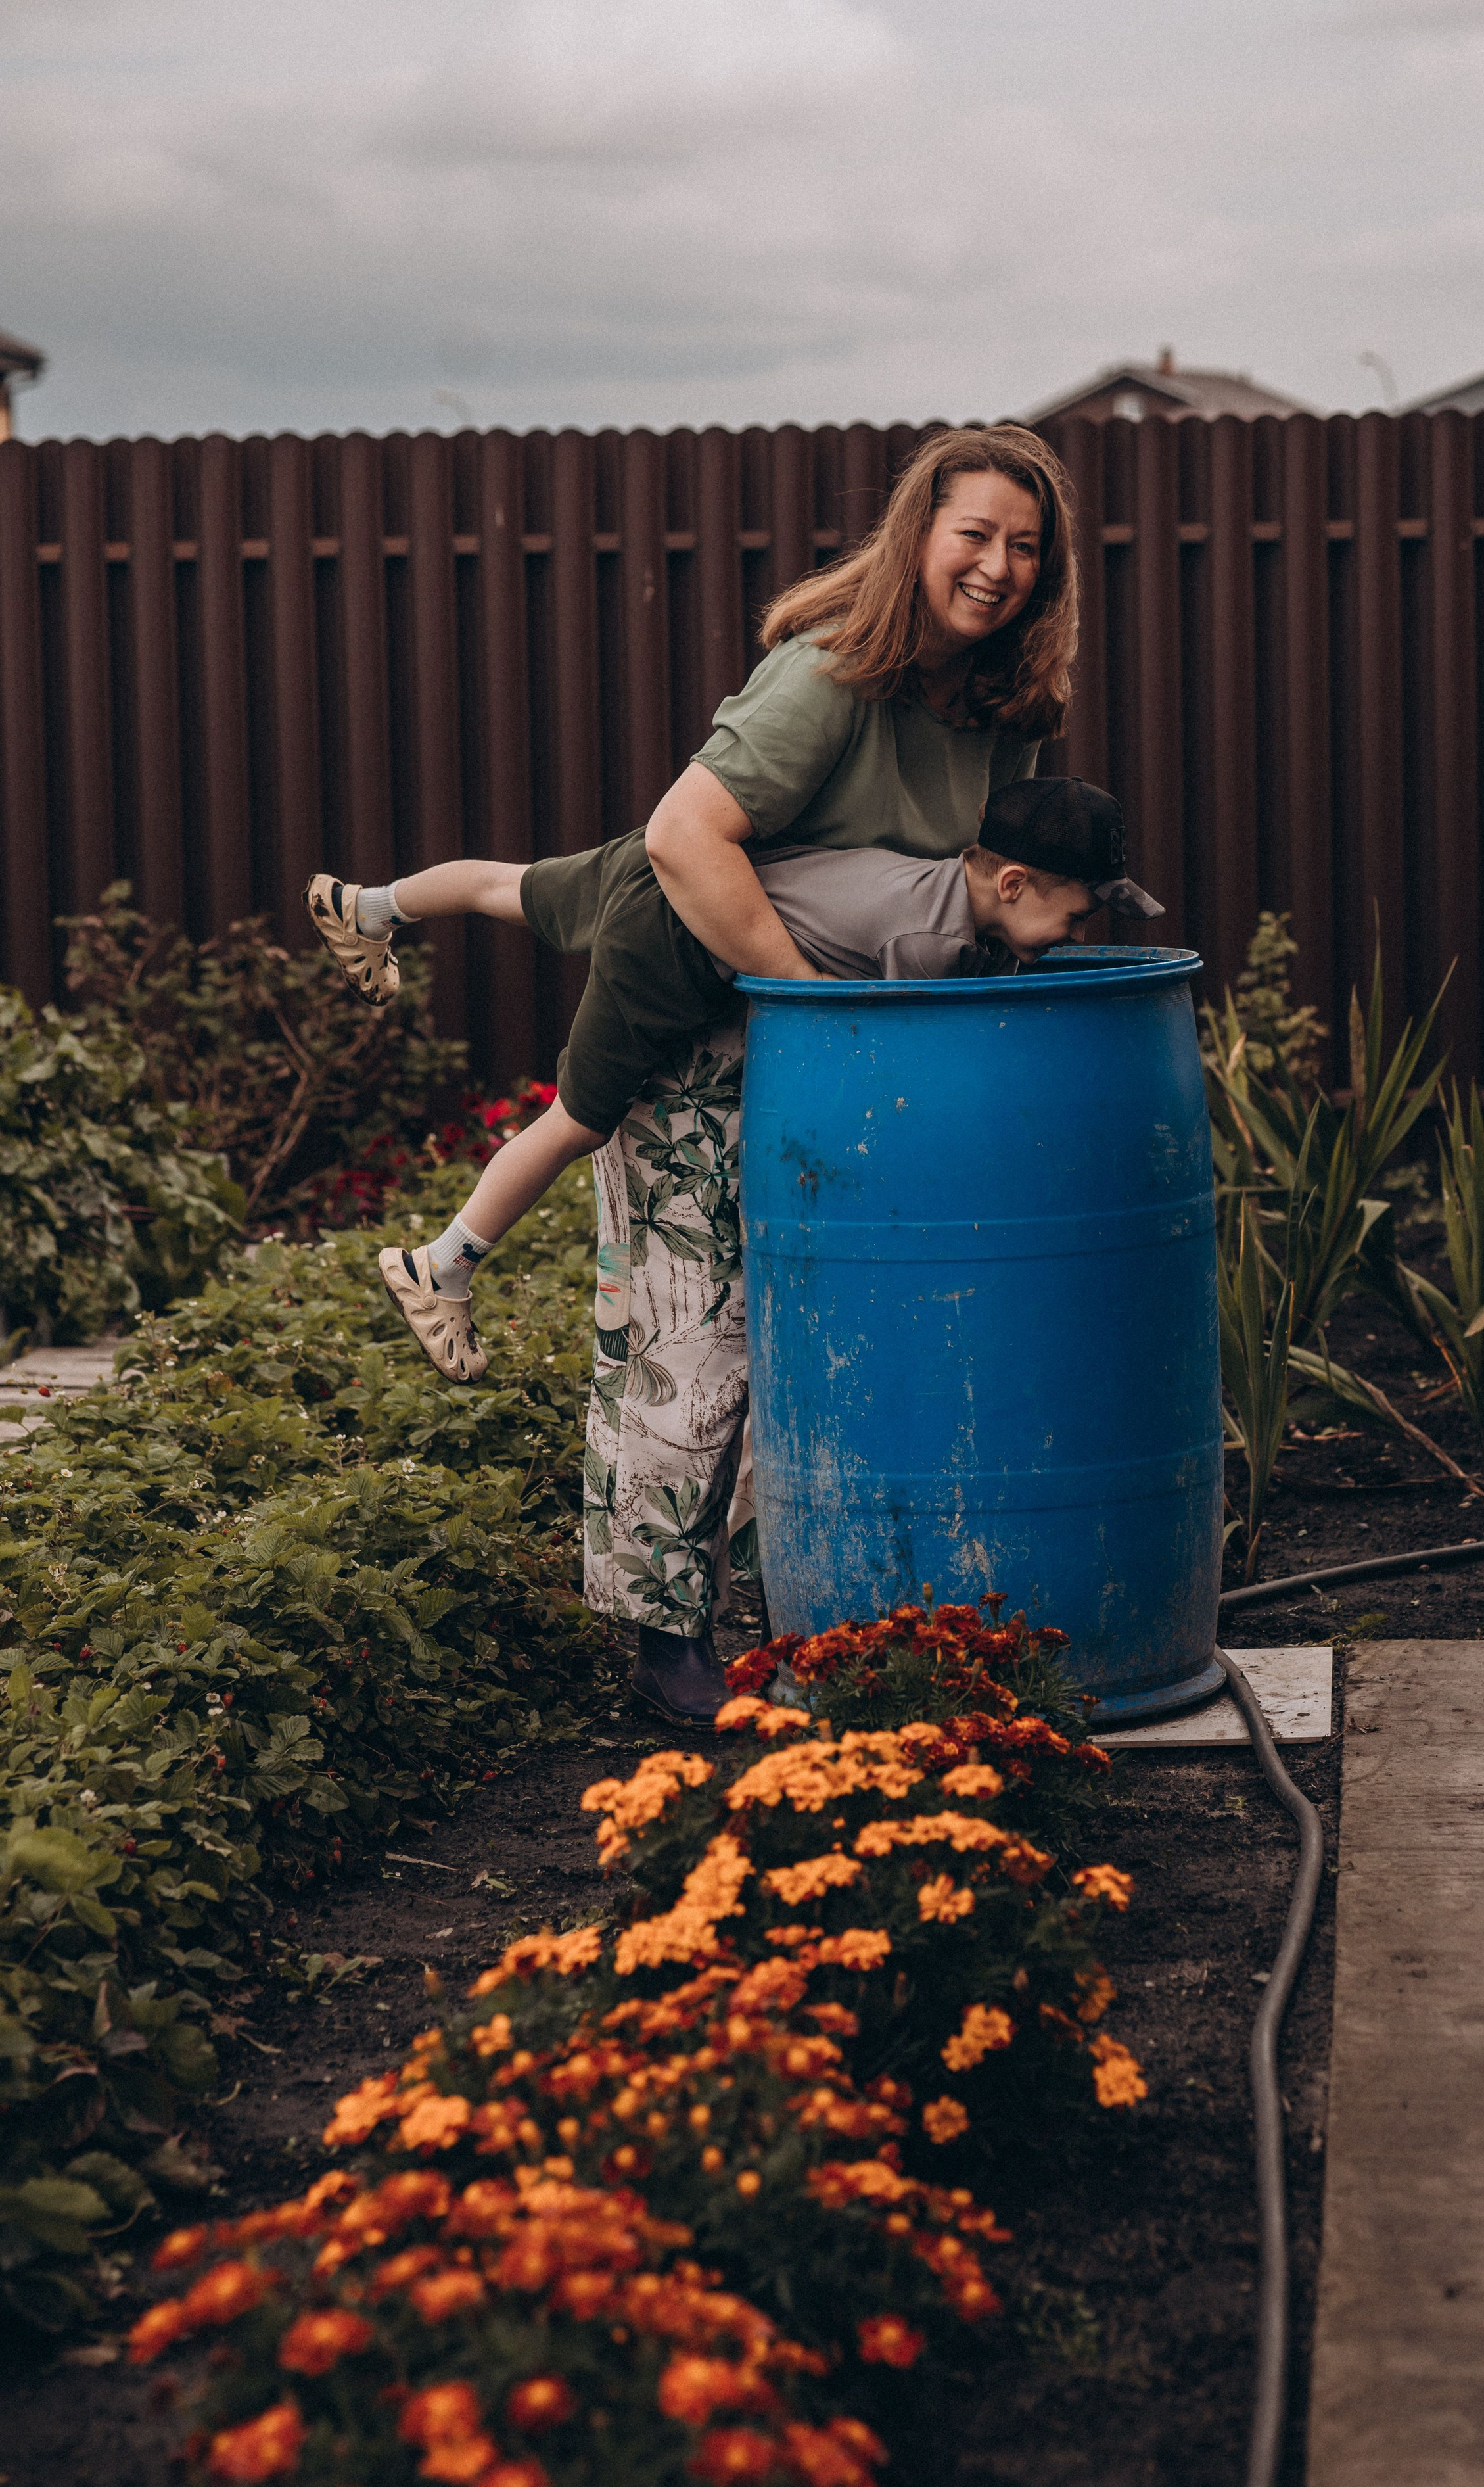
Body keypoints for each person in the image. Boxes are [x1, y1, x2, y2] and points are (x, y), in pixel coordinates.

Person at [313, 425, 1085, 1729]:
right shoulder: (831, 676)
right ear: (916, 537)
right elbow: (684, 837)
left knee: (819, 1341)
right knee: (689, 1335)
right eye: (974, 534)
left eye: (1024, 546)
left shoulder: (1001, 708)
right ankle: (665, 1644)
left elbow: (978, 876)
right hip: (721, 1033)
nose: (996, 566)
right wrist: (794, 1000)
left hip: (852, 1048)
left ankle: (820, 1614)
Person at [308, 775, 1142, 1377]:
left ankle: (369, 907)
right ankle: (440, 1264)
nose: (1075, 933)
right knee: (579, 1119)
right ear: (1011, 882)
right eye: (1075, 914)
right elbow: (893, 1064)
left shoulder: (932, 883)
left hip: (662, 866)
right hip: (670, 940)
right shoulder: (934, 948)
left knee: (510, 885)